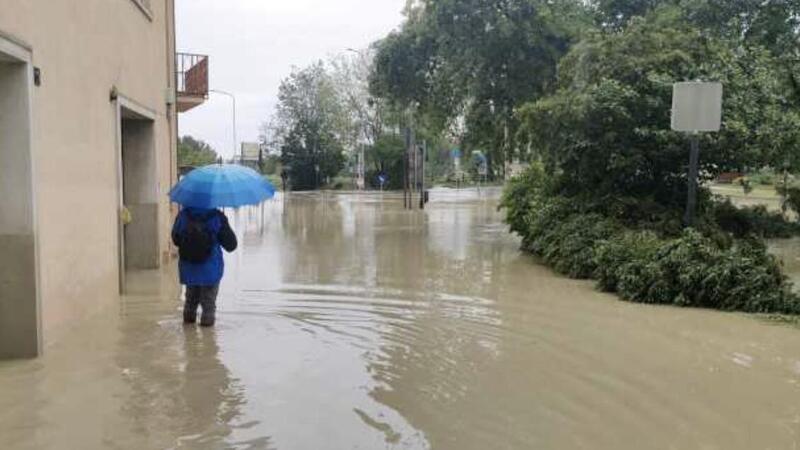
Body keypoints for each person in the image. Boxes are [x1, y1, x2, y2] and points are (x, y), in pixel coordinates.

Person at [171, 207, 238, 327]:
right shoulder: (217, 217)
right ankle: (208, 342)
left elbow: (176, 239)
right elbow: (231, 245)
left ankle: (189, 340)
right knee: (208, 306)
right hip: (210, 271)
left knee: (190, 302)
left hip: (189, 270)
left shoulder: (183, 215)